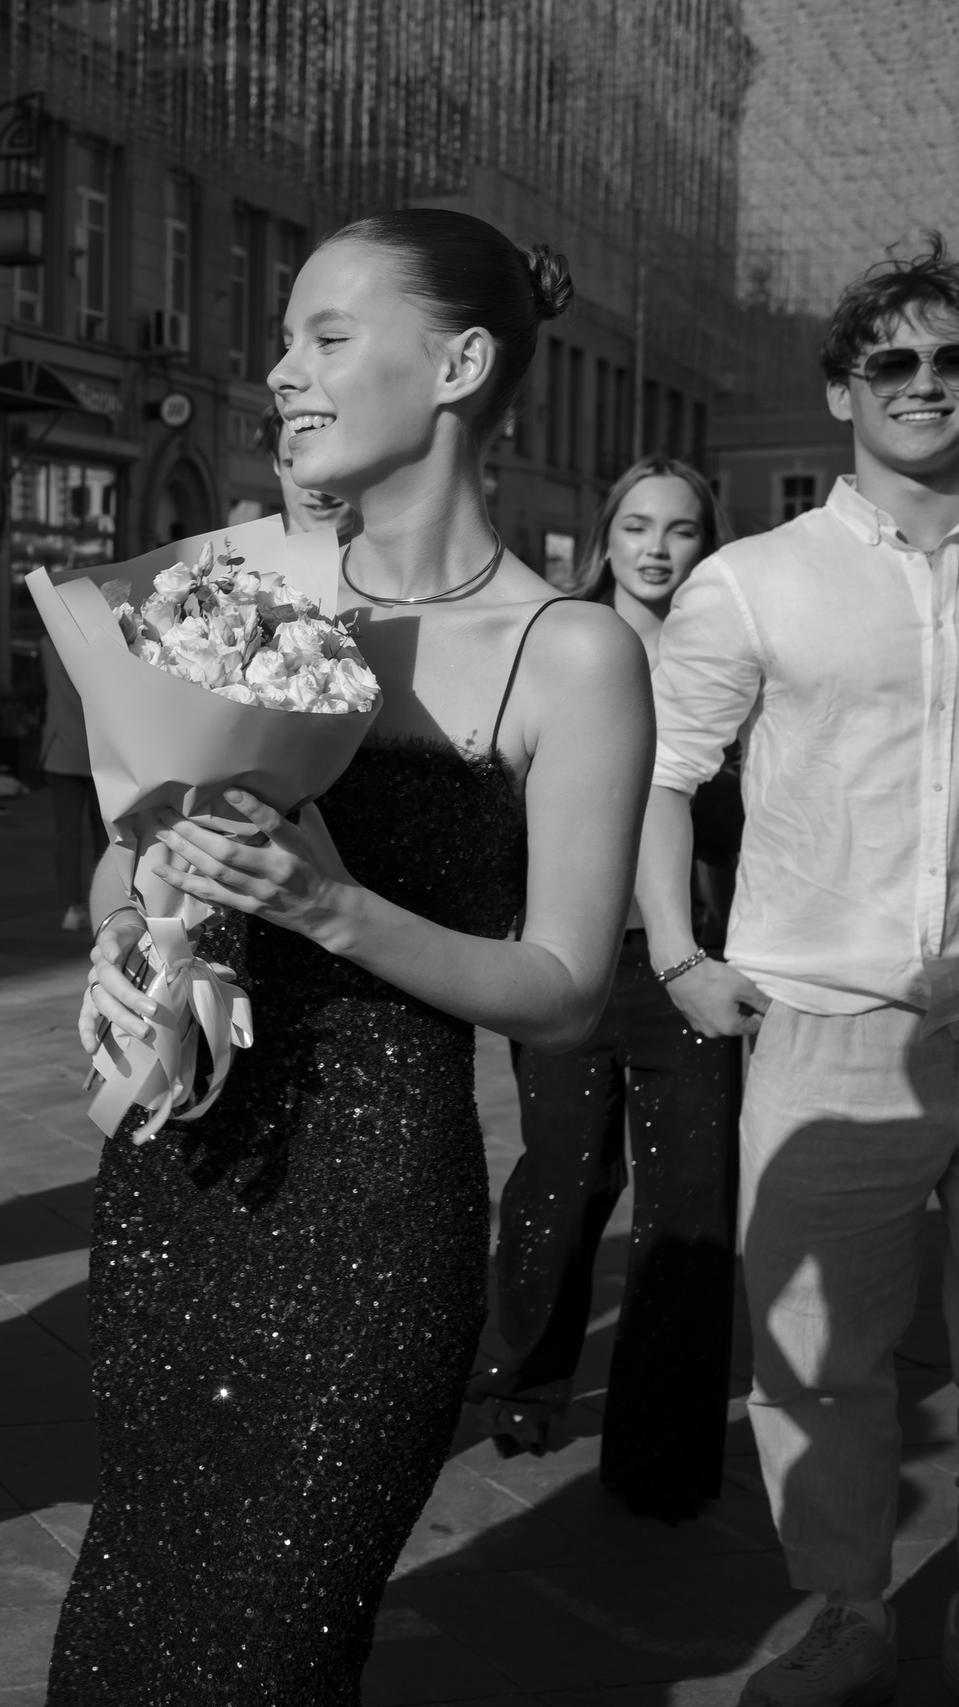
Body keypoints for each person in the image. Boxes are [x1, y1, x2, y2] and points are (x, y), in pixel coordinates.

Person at [49, 210, 651, 1704]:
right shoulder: (235, 580)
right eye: (285, 342)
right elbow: (120, 856)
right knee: (127, 1608)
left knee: (274, 1644)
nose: (281, 374)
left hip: (373, 1219)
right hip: (178, 1179)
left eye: (325, 337)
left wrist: (331, 908)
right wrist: (140, 916)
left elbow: (567, 988)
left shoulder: (566, 651)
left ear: (458, 363)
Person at [637, 236, 959, 1707]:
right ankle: (848, 1607)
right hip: (828, 1024)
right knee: (820, 1352)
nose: (927, 383)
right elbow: (661, 772)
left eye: (951, 360)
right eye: (892, 360)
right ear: (842, 388)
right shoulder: (753, 580)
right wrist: (677, 948)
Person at [468, 456, 743, 1518]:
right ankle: (526, 1376)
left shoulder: (733, 657)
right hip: (569, 957)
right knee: (562, 1182)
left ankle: (663, 1450)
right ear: (607, 537)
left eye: (680, 527)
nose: (657, 547)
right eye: (637, 525)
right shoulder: (561, 641)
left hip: (696, 970)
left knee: (689, 1209)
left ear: (704, 540)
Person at [38, 632, 105, 931]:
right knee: (105, 834)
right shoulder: (97, 640)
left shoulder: (47, 643)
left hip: (62, 748)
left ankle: (71, 906)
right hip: (98, 748)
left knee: (67, 833)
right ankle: (106, 903)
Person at [261, 403, 361, 540]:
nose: (318, 493)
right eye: (295, 464)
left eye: (335, 465)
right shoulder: (252, 560)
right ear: (276, 465)